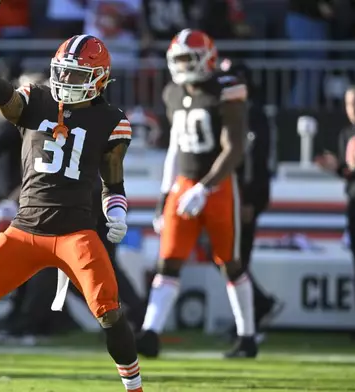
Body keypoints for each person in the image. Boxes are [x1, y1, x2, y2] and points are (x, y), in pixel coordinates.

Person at [0, 2, 144, 392]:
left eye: (76, 73)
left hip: (77, 234)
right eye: (63, 71)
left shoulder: (112, 120)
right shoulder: (37, 100)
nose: (66, 79)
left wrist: (117, 210)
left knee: (110, 314)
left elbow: (113, 180)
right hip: (24, 230)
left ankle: (135, 388)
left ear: (98, 78)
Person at [138, 29, 256, 358]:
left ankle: (247, 337)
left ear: (207, 58)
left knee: (230, 263)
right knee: (168, 261)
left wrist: (206, 187)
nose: (182, 66)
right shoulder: (172, 93)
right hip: (183, 185)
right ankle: (150, 333)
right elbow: (175, 147)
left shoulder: (227, 89)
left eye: (188, 59)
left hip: (218, 185)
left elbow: (234, 150)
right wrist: (165, 197)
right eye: (178, 59)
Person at [221, 58, 283, 338]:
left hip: (245, 195)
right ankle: (253, 311)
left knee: (235, 258)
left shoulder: (252, 114)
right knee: (229, 257)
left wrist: (249, 199)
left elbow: (256, 160)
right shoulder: (237, 110)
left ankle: (252, 317)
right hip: (234, 193)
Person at [317, 84, 355, 340]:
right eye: (348, 104)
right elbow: (349, 174)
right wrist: (335, 168)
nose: (353, 110)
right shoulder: (347, 134)